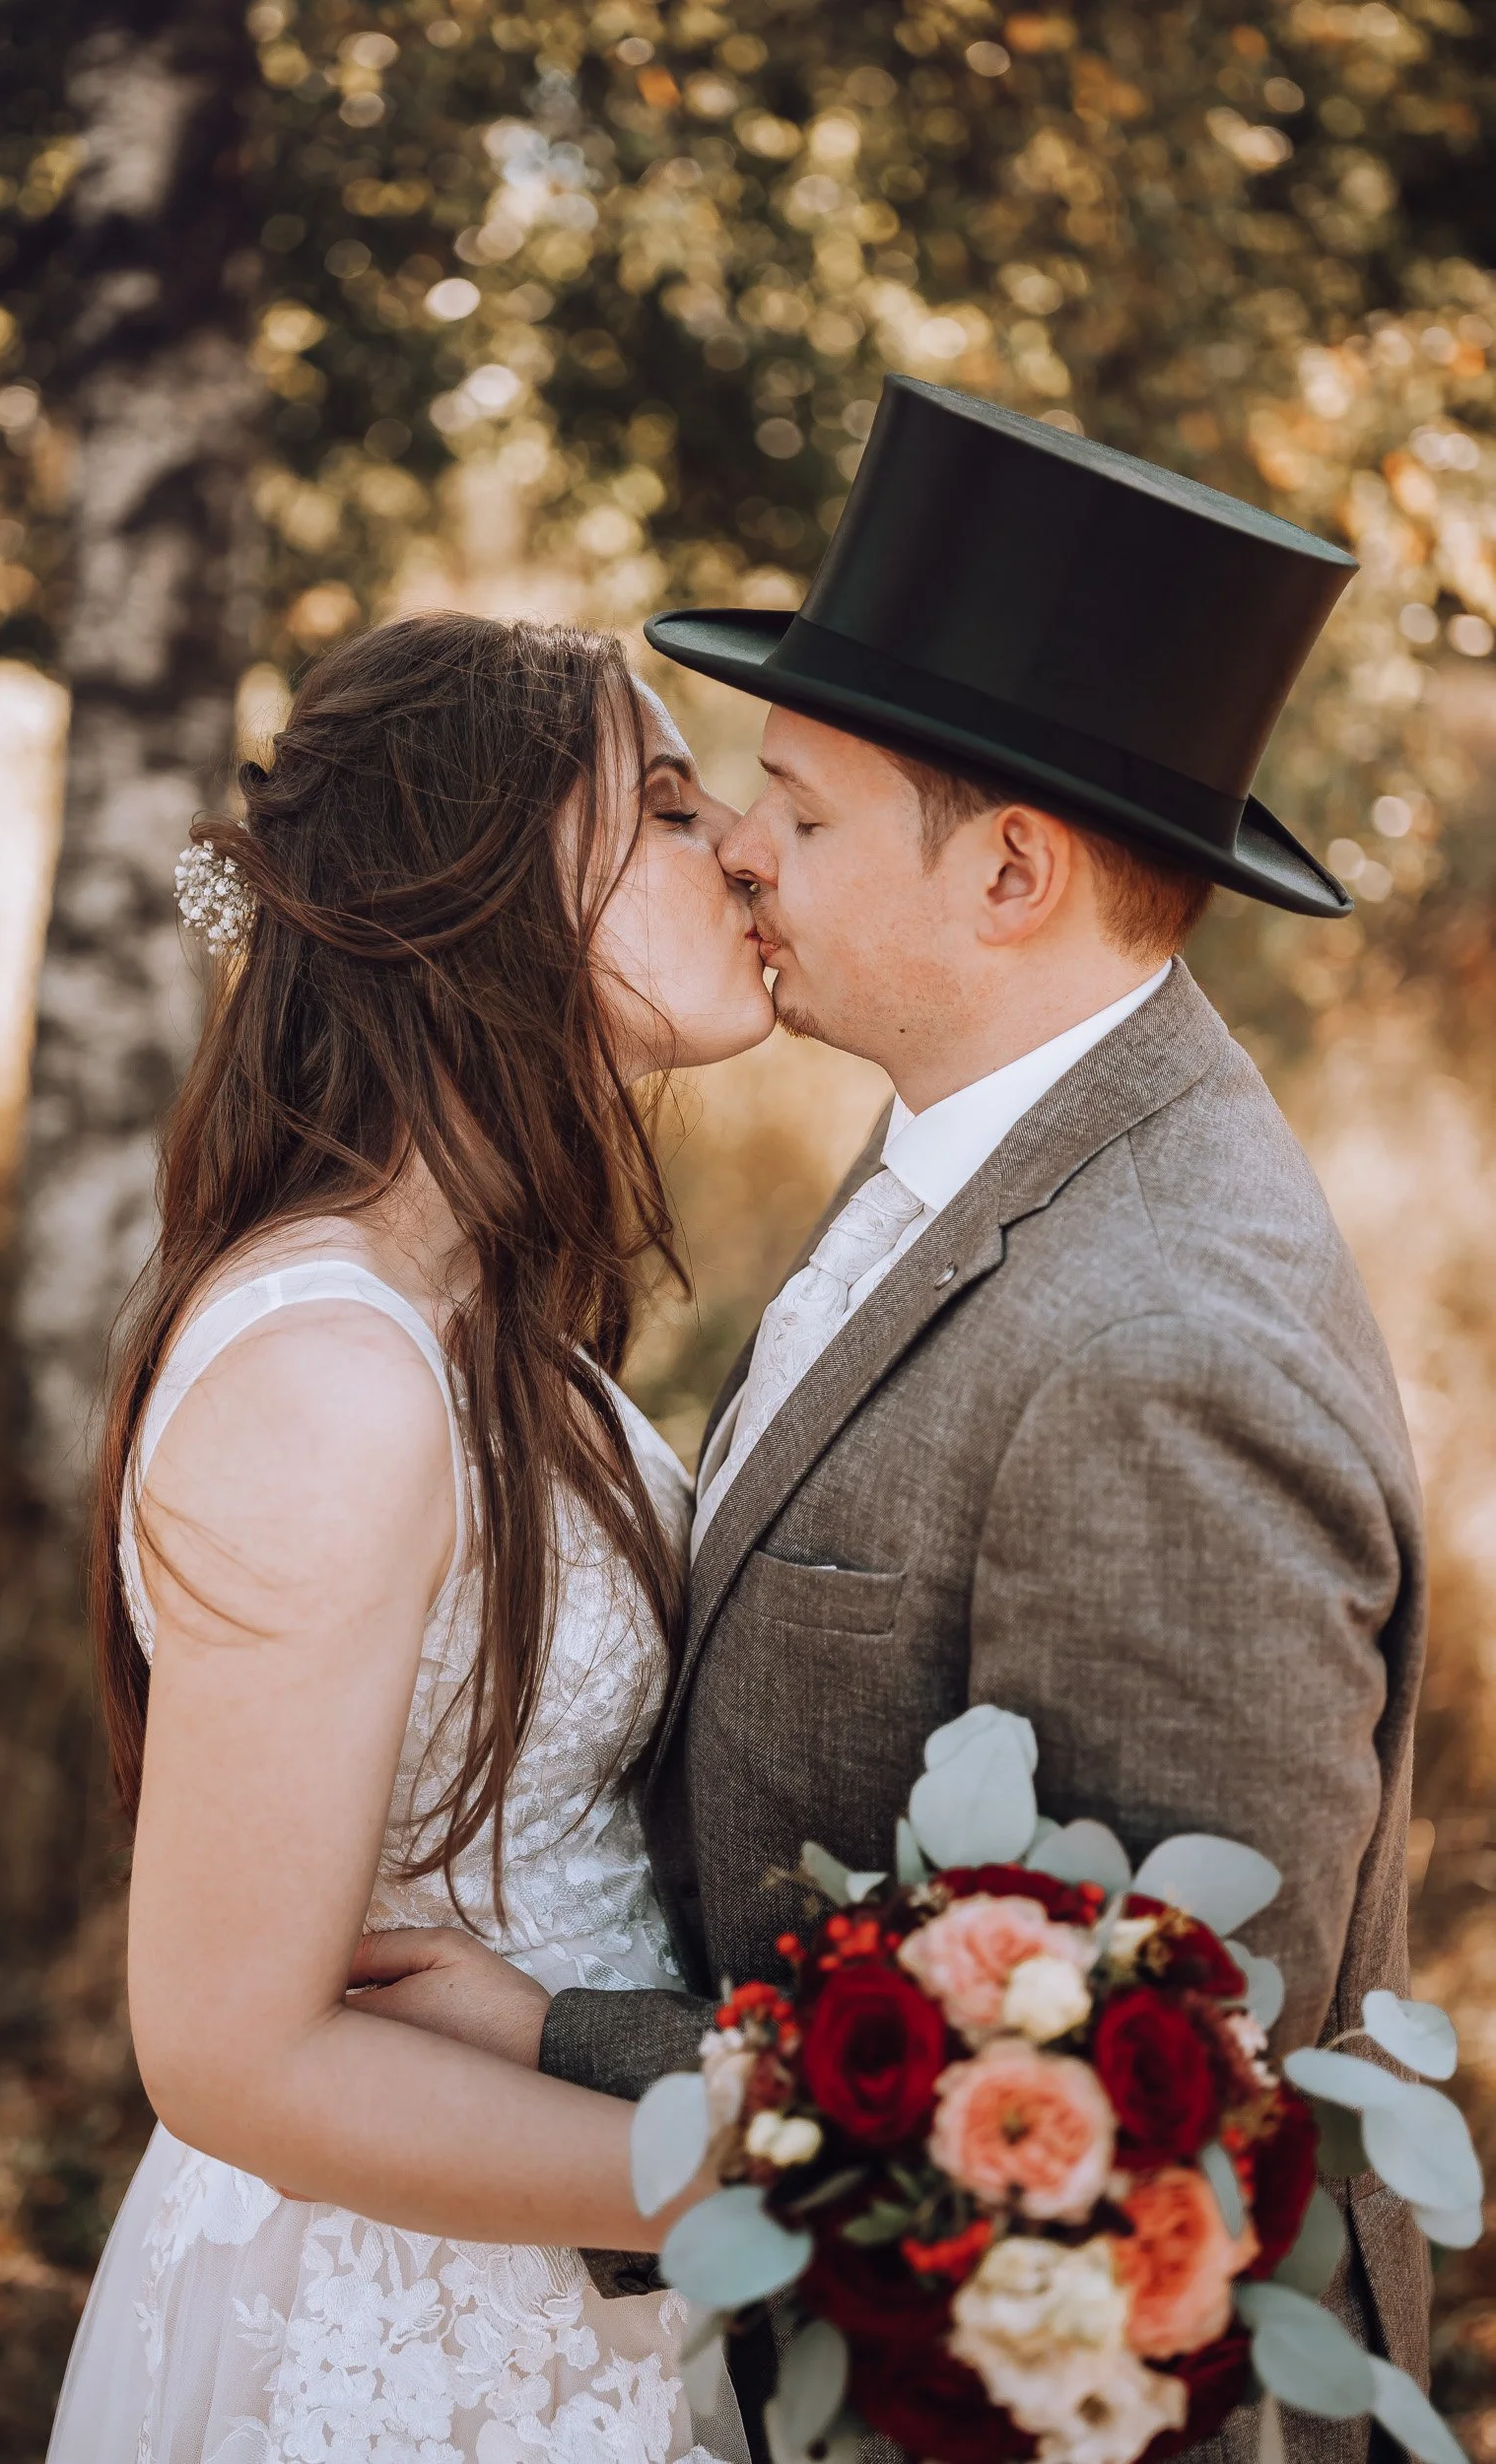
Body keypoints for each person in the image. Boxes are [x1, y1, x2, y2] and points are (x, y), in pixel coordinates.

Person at [353, 383, 1432, 2464]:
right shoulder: (983, 1137)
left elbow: (1139, 2110)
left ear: (1010, 869)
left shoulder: (1158, 1356)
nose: (739, 848)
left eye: (801, 806)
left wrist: (566, 2036)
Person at [45, 612, 775, 2464]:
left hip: (578, 2260)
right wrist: (767, 2190)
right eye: (668, 807)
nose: (744, 849)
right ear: (481, 881)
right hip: (396, 2323)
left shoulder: (493, 1321)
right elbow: (232, 2055)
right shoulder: (329, 1380)